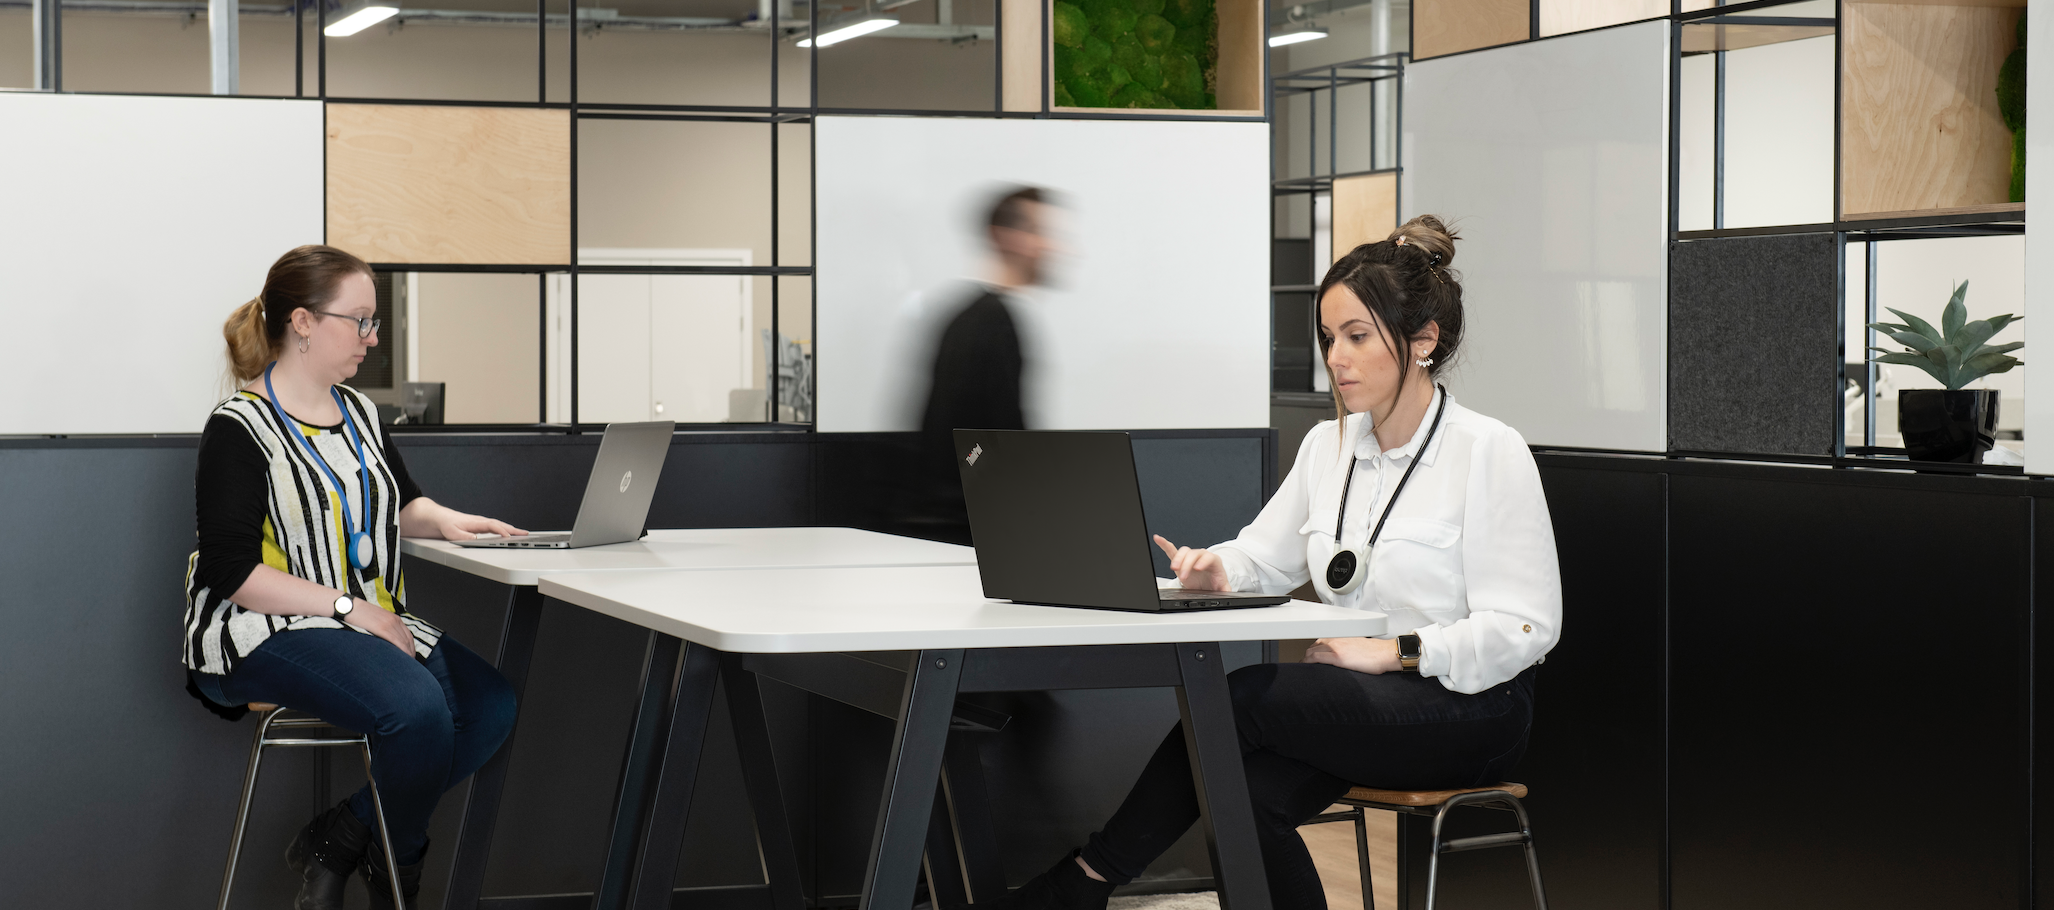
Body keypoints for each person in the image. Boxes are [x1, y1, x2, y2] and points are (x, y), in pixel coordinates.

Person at [998, 216, 1562, 910]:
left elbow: (1528, 628)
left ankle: (1080, 886)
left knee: (1238, 700)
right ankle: (1081, 887)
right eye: (1329, 338)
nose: (1337, 358)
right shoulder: (1328, 447)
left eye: (1357, 336)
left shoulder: (1488, 450)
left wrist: (1396, 652)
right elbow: (1261, 556)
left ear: (1422, 342)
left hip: (1472, 709)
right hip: (1365, 708)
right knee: (1239, 794)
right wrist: (1214, 571)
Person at [184, 245, 531, 910]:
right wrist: (350, 607)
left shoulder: (362, 414)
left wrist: (452, 521)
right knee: (418, 710)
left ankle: (344, 837)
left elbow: (401, 503)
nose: (373, 339)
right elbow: (231, 572)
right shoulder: (239, 428)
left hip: (358, 620)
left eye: (376, 323)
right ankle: (397, 871)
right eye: (361, 321)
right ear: (305, 321)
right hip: (262, 628)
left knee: (490, 708)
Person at [909, 186, 1059, 541]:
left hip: (968, 525)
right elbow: (989, 443)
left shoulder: (971, 316)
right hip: (972, 532)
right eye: (1038, 232)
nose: (1049, 246)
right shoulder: (991, 323)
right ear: (1003, 236)